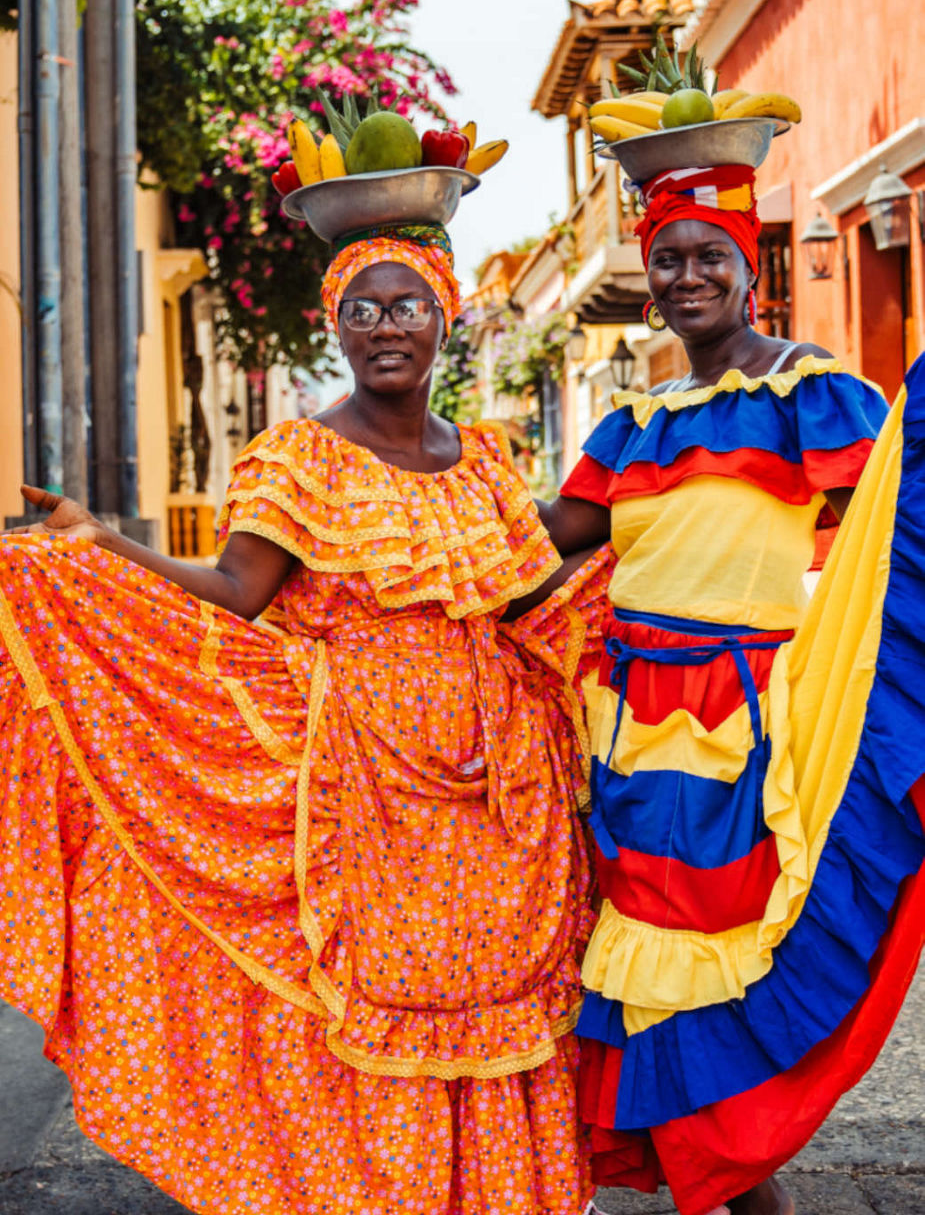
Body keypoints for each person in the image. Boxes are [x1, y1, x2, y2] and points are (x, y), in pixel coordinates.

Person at [0, 223, 613, 1215]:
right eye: (362, 310)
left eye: (407, 307)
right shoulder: (299, 458)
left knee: (492, 988)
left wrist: (673, 521)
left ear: (444, 321)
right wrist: (102, 545)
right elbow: (236, 587)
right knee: (378, 994)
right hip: (359, 778)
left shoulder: (485, 463)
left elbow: (527, 593)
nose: (386, 329)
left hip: (500, 783)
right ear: (333, 325)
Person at [535, 162, 925, 1215]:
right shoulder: (634, 421)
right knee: (645, 950)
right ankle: (727, 1187)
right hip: (625, 731)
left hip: (741, 730)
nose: (687, 274)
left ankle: (742, 1180)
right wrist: (387, 521)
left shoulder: (810, 388)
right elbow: (545, 544)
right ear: (648, 278)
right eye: (668, 258)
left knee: (720, 947)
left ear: (748, 270)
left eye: (711, 255)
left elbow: (885, 527)